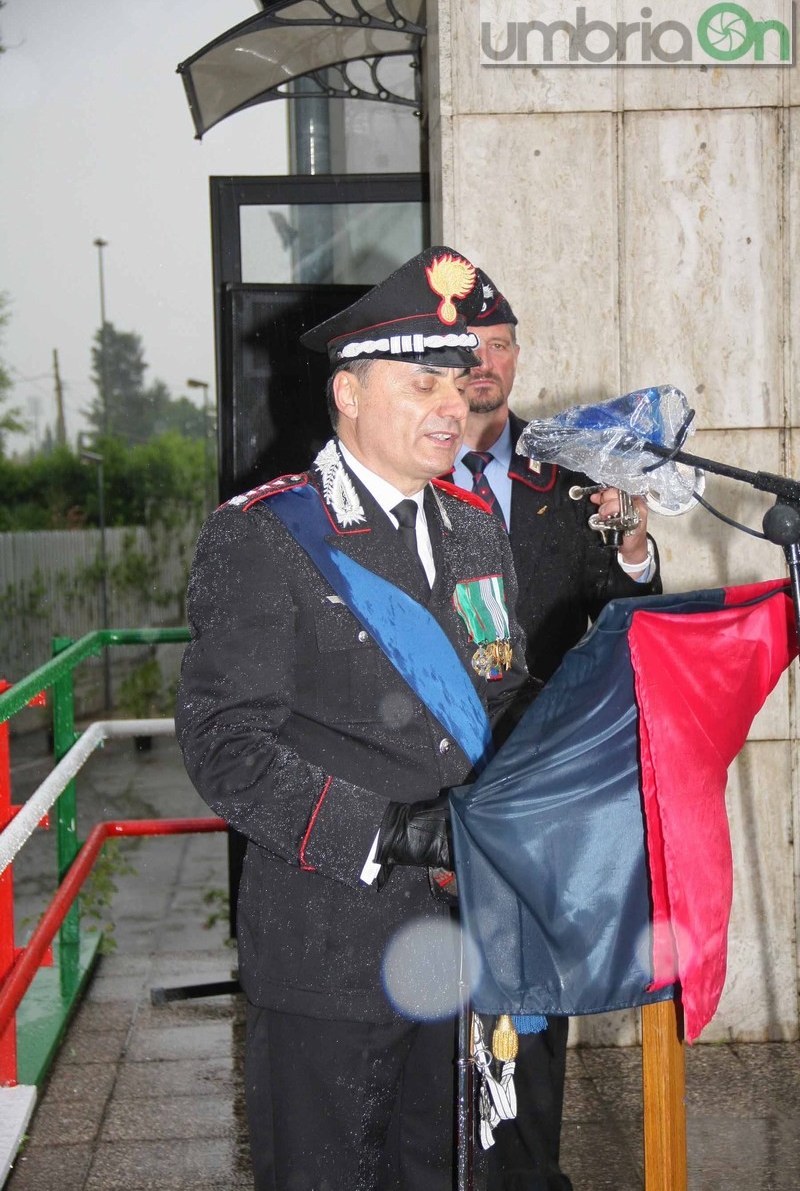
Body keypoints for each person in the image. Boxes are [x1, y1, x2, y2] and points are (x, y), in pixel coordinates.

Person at [175, 247, 534, 1191]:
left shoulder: (474, 529)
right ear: (347, 392)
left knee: (442, 1171)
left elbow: (498, 696)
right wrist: (387, 834)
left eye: (459, 384)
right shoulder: (264, 535)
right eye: (423, 384)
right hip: (331, 940)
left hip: (460, 935)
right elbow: (224, 744)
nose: (452, 407)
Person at [449, 270, 663, 1191]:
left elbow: (626, 616)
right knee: (433, 1003)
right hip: (428, 778)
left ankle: (530, 1174)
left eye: (497, 345)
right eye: (463, 350)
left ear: (515, 358)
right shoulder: (401, 473)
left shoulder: (569, 479)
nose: (481, 364)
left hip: (536, 792)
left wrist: (629, 547)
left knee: (529, 1002)